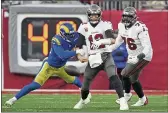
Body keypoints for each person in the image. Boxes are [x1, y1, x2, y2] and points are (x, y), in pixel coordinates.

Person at [5, 23, 89, 107]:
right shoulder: (56, 39)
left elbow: (84, 42)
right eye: (68, 34)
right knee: (35, 85)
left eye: (72, 34)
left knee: (76, 81)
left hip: (61, 67)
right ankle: (13, 99)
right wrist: (76, 52)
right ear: (62, 33)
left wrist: (82, 55)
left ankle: (87, 95)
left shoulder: (76, 36)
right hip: (49, 66)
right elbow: (62, 55)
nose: (71, 36)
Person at [92, 7, 153, 106]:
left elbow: (147, 47)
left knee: (125, 74)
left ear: (134, 17)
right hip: (132, 55)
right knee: (133, 79)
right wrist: (108, 49)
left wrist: (139, 56)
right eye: (124, 16)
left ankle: (127, 95)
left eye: (129, 16)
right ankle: (143, 99)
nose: (126, 19)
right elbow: (118, 41)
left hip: (144, 55)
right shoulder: (121, 26)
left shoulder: (140, 28)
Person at [73, 4, 129, 110]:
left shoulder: (105, 24)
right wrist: (79, 55)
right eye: (92, 15)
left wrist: (101, 42)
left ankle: (123, 101)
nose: (94, 17)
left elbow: (112, 40)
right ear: (88, 15)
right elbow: (79, 44)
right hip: (93, 58)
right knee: (85, 86)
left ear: (100, 15)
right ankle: (83, 99)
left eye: (96, 15)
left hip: (105, 55)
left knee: (113, 76)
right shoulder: (83, 26)